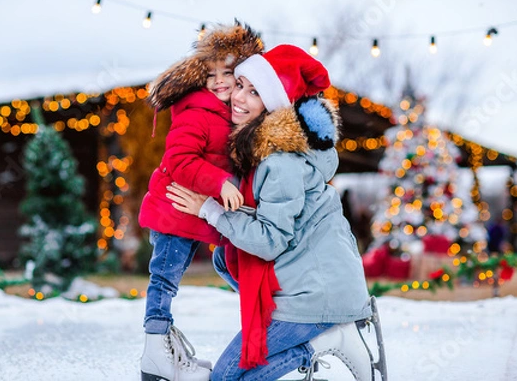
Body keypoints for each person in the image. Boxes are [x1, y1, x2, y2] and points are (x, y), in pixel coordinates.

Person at [167, 44, 374, 380]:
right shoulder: (260, 154)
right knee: (225, 258)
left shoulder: (280, 163)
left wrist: (211, 211)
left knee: (225, 377)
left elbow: (270, 241)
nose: (239, 97)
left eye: (254, 92)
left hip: (317, 297)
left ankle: (326, 339)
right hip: (305, 286)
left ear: (272, 106)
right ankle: (315, 336)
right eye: (239, 85)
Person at [138, 23, 264, 381]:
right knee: (164, 279)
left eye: (229, 73)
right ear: (199, 76)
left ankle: (168, 350)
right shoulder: (196, 111)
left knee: (207, 269)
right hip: (172, 211)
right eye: (212, 74)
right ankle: (155, 350)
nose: (221, 81)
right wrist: (221, 181)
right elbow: (180, 160)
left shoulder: (227, 113)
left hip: (192, 216)